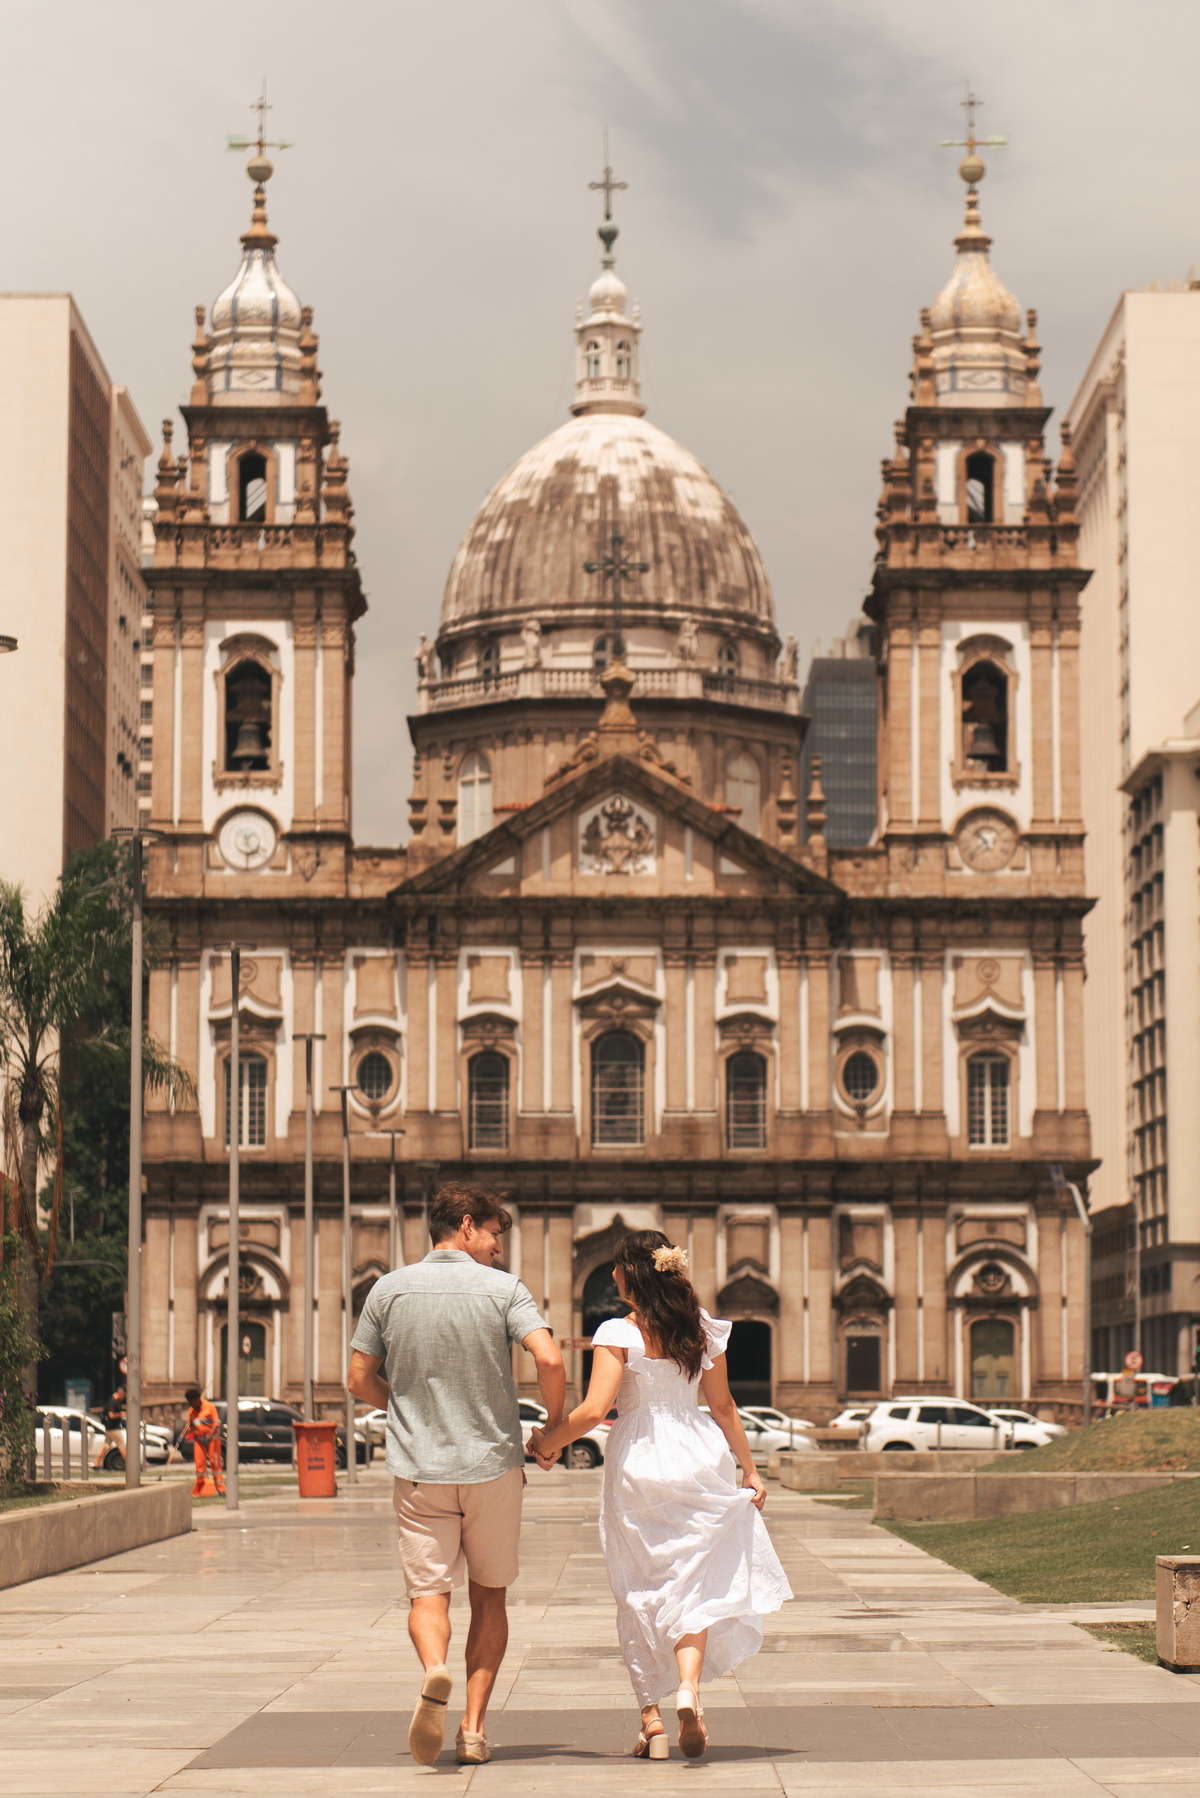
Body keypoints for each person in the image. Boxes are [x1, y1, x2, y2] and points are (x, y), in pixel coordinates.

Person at [529, 1230, 792, 1761]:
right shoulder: (698, 1329)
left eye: (617, 1269)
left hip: (640, 1460)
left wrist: (546, 1443)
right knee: (691, 1582)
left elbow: (593, 1409)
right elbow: (723, 1408)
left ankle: (652, 1724)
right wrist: (750, 1469)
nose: (611, 1277)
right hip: (697, 1454)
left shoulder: (616, 1332)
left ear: (633, 1274)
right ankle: (689, 1692)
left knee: (638, 1586)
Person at [349, 1183, 565, 1767]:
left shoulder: (387, 1290)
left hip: (420, 1470)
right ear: (466, 1226)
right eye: (494, 1233)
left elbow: (357, 1379)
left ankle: (434, 1669)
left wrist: (404, 1406)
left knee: (428, 1594)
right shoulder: (504, 1290)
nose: (499, 1246)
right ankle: (471, 1728)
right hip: (492, 1466)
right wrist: (553, 1425)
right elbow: (549, 1357)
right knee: (489, 1596)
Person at [181, 1387, 225, 1495]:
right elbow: (191, 1426)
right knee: (199, 1465)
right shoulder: (191, 1411)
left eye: (191, 1402)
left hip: (212, 1440)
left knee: (215, 1464)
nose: (190, 1405)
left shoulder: (209, 1407)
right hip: (199, 1441)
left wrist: (210, 1435)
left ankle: (220, 1489)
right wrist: (185, 1434)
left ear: (197, 1399)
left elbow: (216, 1423)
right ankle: (199, 1488)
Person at [94, 1384, 126, 1470]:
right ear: (120, 1393)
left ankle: (96, 1464)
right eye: (124, 1395)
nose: (124, 1398)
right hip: (114, 1428)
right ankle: (130, 1465)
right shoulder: (113, 1401)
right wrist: (121, 1414)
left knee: (106, 1445)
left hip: (109, 1428)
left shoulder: (113, 1400)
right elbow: (111, 1415)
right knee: (122, 1446)